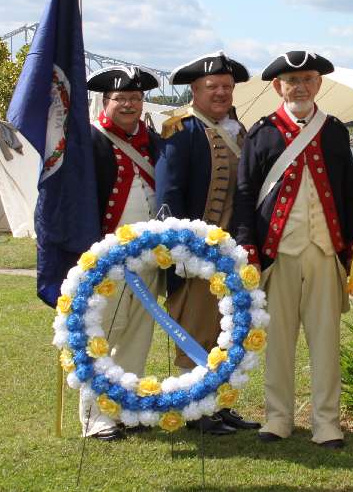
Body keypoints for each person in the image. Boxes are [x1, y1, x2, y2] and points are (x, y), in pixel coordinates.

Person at [234, 51, 353, 448]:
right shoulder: (263, 132)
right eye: (292, 81)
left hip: (324, 252)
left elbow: (346, 192)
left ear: (319, 84)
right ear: (278, 87)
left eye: (308, 79)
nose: (300, 87)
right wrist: (248, 248)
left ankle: (327, 423)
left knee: (325, 341)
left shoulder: (334, 130)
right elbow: (244, 194)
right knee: (279, 340)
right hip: (278, 252)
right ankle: (278, 417)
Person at [155, 51, 259, 435]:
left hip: (233, 252)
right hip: (196, 253)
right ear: (195, 90)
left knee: (228, 332)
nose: (220, 93)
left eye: (227, 87)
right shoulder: (181, 130)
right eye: (212, 86)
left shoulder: (239, 130)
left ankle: (218, 404)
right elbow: (169, 192)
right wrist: (179, 248)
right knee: (196, 331)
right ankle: (194, 409)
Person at [81, 65, 162, 441]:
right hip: (106, 260)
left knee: (136, 336)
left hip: (147, 259)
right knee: (100, 335)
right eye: (121, 98)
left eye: (135, 98)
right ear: (105, 101)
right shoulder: (89, 141)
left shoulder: (156, 142)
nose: (129, 105)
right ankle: (96, 416)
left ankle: (125, 409)